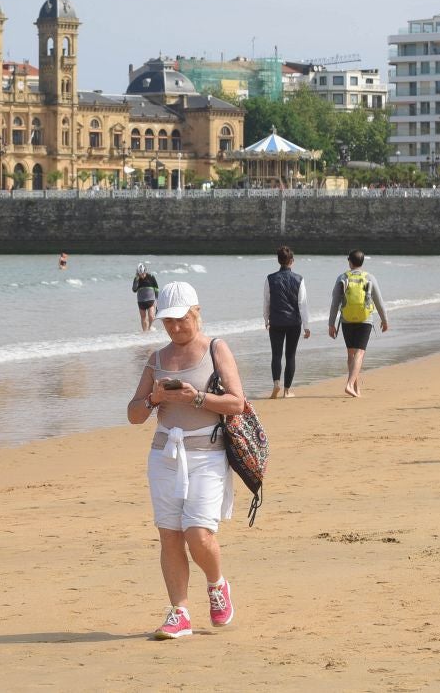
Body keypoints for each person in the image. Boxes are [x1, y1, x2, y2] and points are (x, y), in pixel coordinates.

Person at [126, 281, 246, 639]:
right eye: (168, 322)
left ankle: (217, 584)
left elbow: (238, 402)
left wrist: (198, 398)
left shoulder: (216, 349)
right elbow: (133, 414)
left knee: (198, 533)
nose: (175, 328)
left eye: (181, 320)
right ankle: (179, 612)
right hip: (164, 454)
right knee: (170, 536)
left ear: (196, 313)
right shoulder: (156, 359)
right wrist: (153, 400)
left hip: (207, 454)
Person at [328, 250, 389, 398]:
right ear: (362, 262)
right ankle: (350, 384)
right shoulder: (369, 278)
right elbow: (378, 301)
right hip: (365, 319)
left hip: (347, 319)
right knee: (360, 353)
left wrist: (331, 323)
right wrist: (384, 319)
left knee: (351, 353)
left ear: (349, 261)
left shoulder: (342, 278)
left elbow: (335, 302)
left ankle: (356, 388)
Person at [264, 246, 311, 399]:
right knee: (290, 355)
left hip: (276, 322)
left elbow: (267, 302)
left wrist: (266, 320)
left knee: (276, 354)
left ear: (278, 260)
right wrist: (307, 326)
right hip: (293, 323)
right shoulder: (299, 279)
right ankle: (287, 390)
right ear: (292, 261)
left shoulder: (270, 278)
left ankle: (276, 382)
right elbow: (302, 304)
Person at [133, 263, 160, 331]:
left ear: (145, 271)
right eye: (139, 274)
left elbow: (156, 288)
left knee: (151, 316)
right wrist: (136, 280)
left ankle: (149, 327)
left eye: (142, 273)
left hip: (151, 300)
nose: (141, 275)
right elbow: (134, 290)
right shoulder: (136, 279)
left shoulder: (151, 277)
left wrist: (157, 299)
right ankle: (145, 332)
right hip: (141, 301)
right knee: (143, 317)